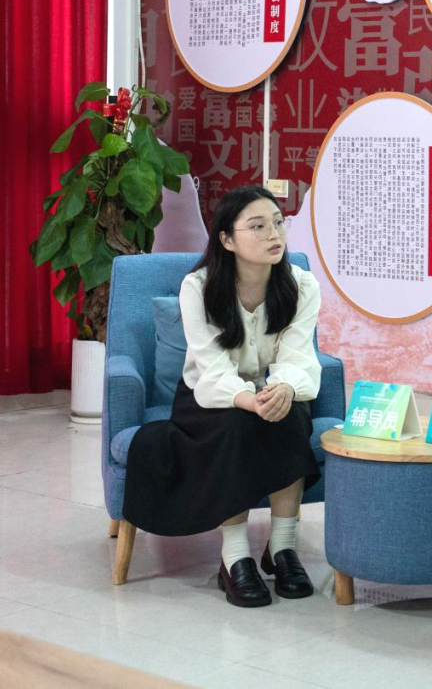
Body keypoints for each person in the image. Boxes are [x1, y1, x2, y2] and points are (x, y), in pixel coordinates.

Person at [122, 185, 322, 608]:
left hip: (273, 388)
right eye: (258, 226)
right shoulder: (198, 287)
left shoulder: (301, 285)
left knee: (290, 415)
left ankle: (282, 547)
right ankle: (234, 557)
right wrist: (248, 400)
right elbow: (211, 368)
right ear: (227, 239)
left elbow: (299, 356)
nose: (274, 234)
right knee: (237, 423)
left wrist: (284, 387)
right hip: (208, 397)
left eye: (278, 223)